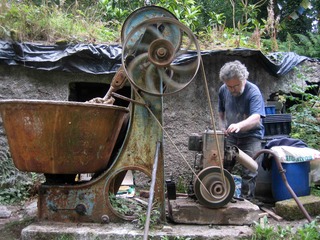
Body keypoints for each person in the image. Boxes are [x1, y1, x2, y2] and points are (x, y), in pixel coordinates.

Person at [218, 60, 265, 201]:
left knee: (250, 170)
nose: (232, 90)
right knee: (223, 166)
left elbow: (256, 117)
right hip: (231, 135)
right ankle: (221, 197)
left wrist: (239, 125)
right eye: (229, 86)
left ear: (244, 79)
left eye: (236, 85)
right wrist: (221, 127)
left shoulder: (253, 92)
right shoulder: (223, 90)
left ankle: (248, 202)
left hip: (251, 136)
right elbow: (221, 112)